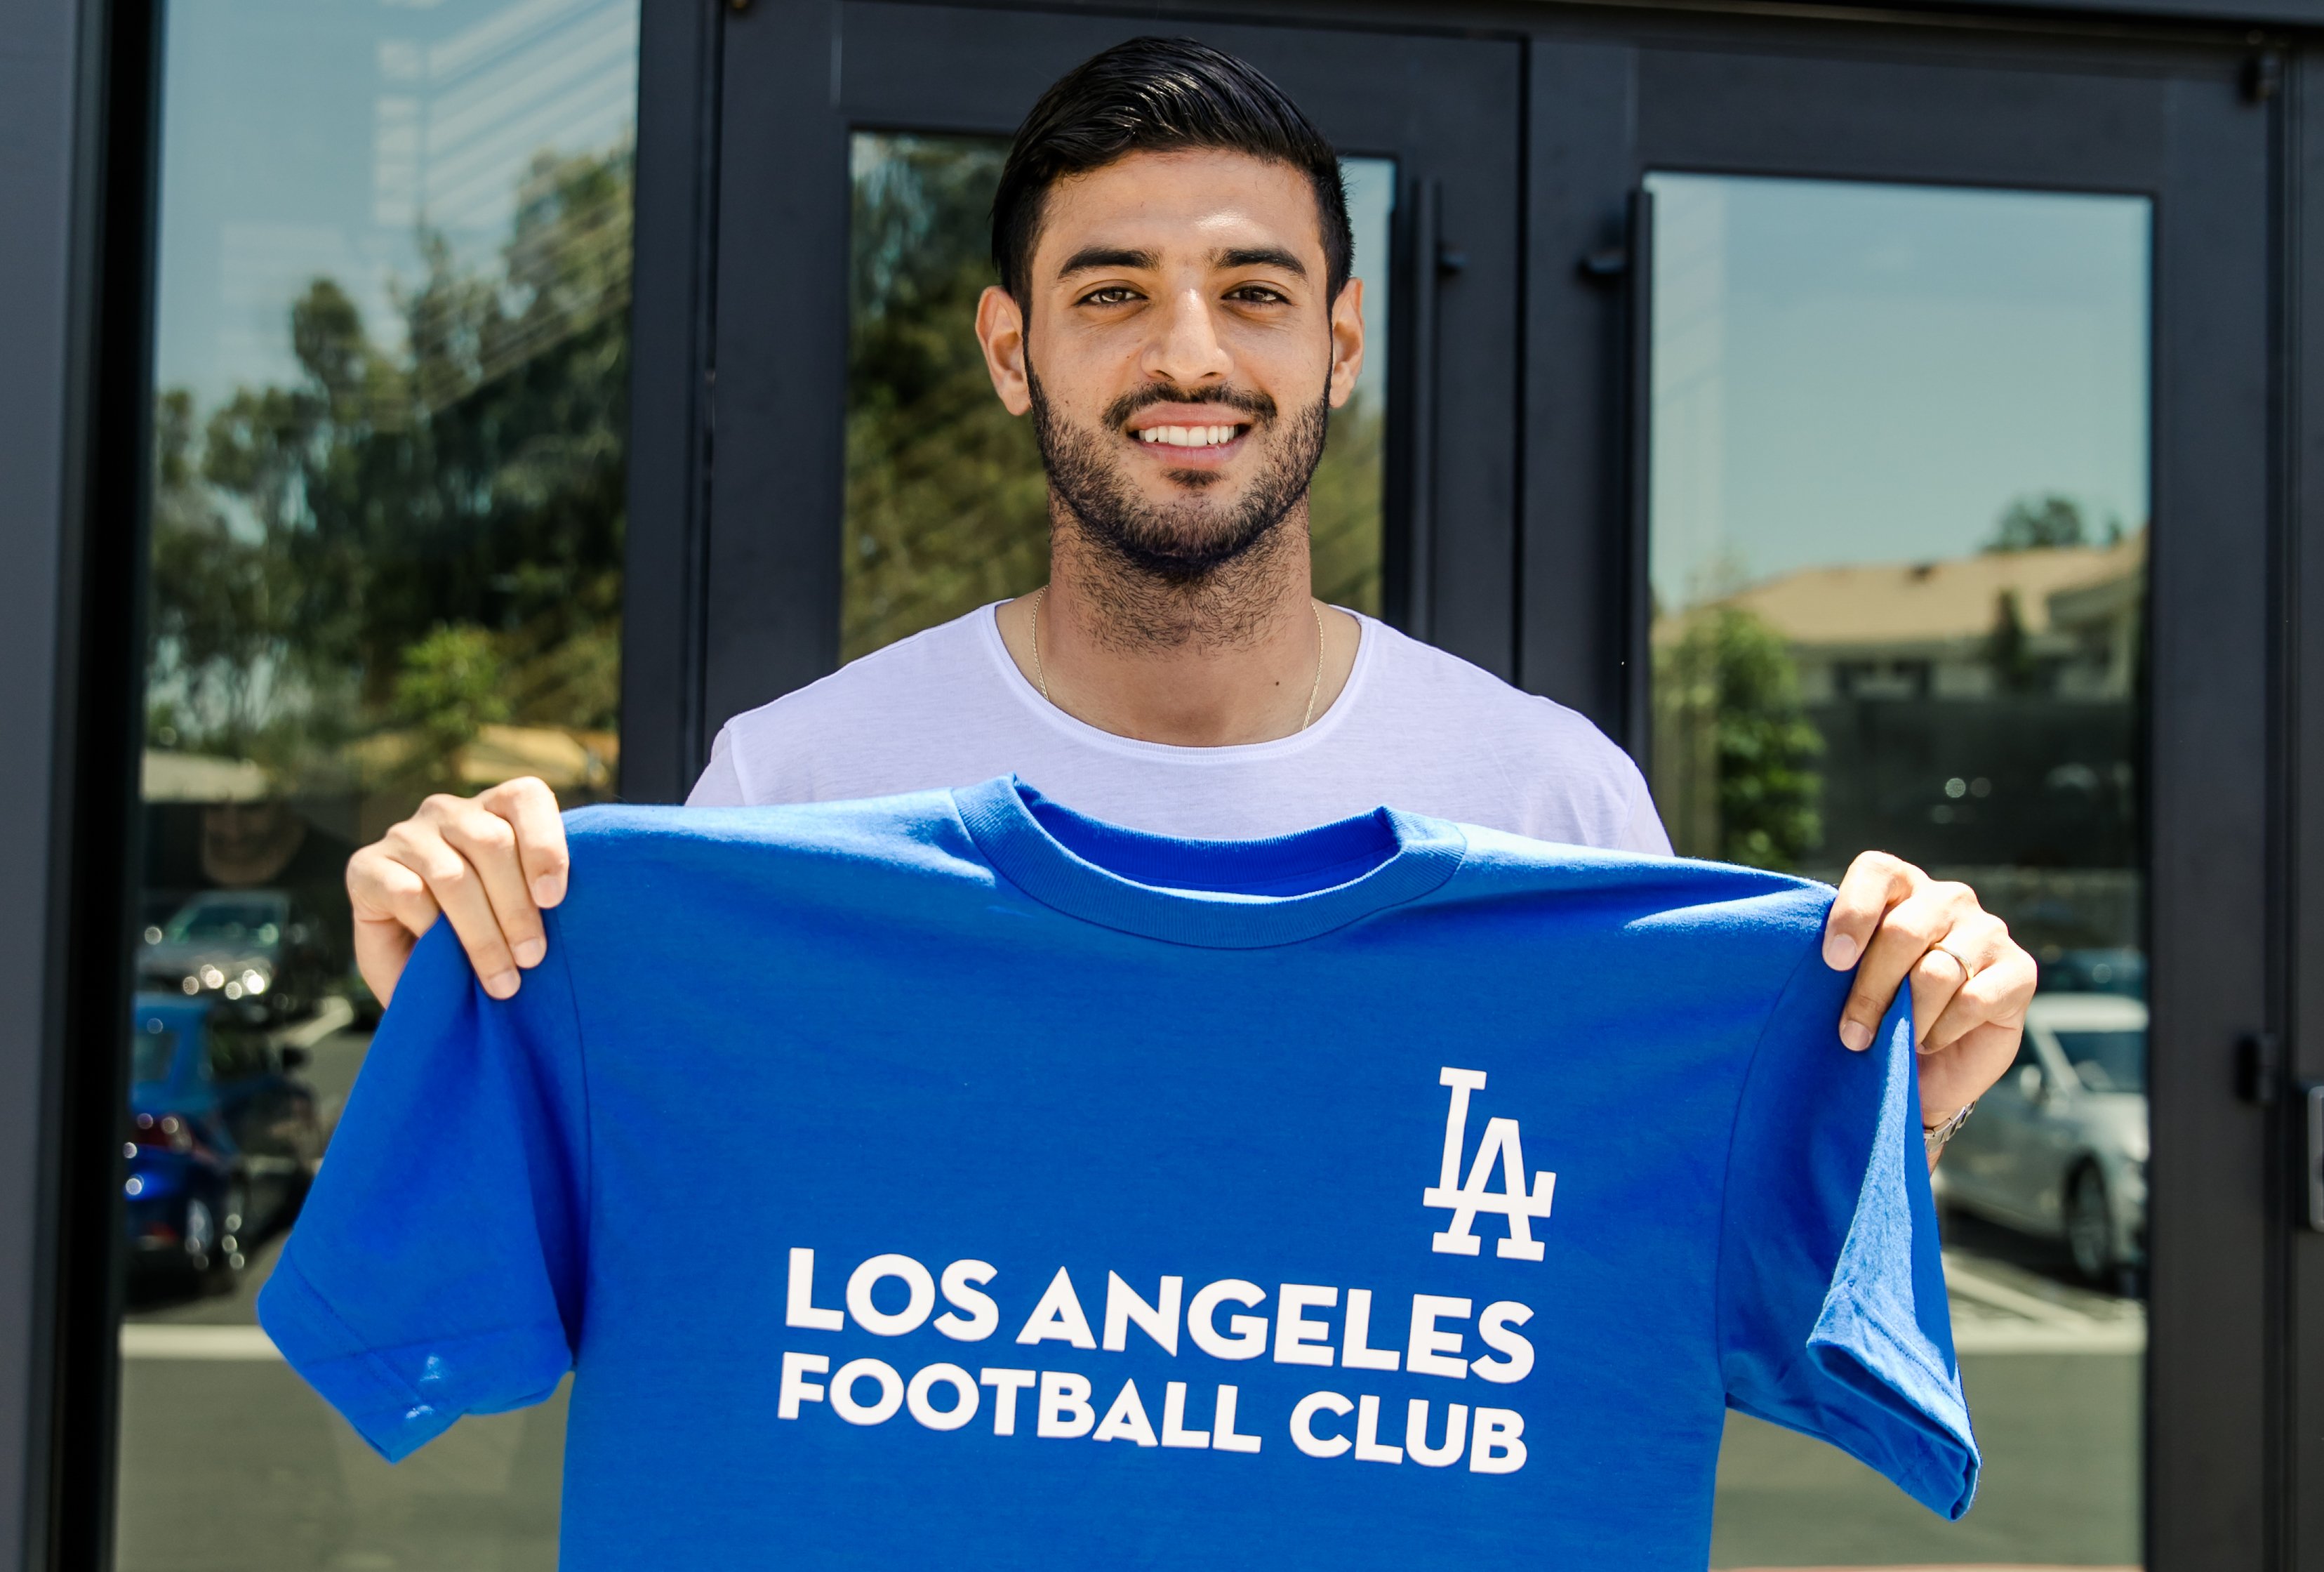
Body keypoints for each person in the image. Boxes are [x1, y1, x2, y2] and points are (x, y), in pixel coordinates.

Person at [344, 37, 2031, 1155]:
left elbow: (1669, 1263)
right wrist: (448, 985)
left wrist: (1903, 1084)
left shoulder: (1553, 801)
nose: (1190, 355)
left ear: (1340, 345)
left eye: (1253, 290)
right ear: (1014, 352)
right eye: (1113, 291)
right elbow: (632, 1224)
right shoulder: (797, 789)